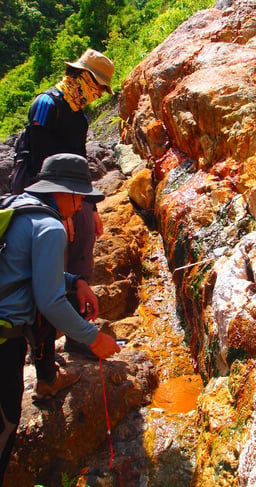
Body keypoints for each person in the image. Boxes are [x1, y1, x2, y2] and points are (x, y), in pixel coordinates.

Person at [0, 153, 121, 485]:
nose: (81, 204)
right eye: (80, 195)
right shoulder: (51, 226)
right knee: (6, 423)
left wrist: (76, 282)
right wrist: (94, 339)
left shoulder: (18, 206)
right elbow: (50, 302)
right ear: (63, 192)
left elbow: (26, 268)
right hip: (4, 342)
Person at [16, 48, 115, 377]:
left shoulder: (79, 114)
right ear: (84, 78)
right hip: (40, 193)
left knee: (82, 253)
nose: (98, 94)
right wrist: (62, 215)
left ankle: (77, 335)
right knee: (48, 265)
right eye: (98, 87)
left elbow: (79, 161)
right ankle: (42, 356)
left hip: (73, 194)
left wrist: (91, 207)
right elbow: (37, 161)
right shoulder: (47, 105)